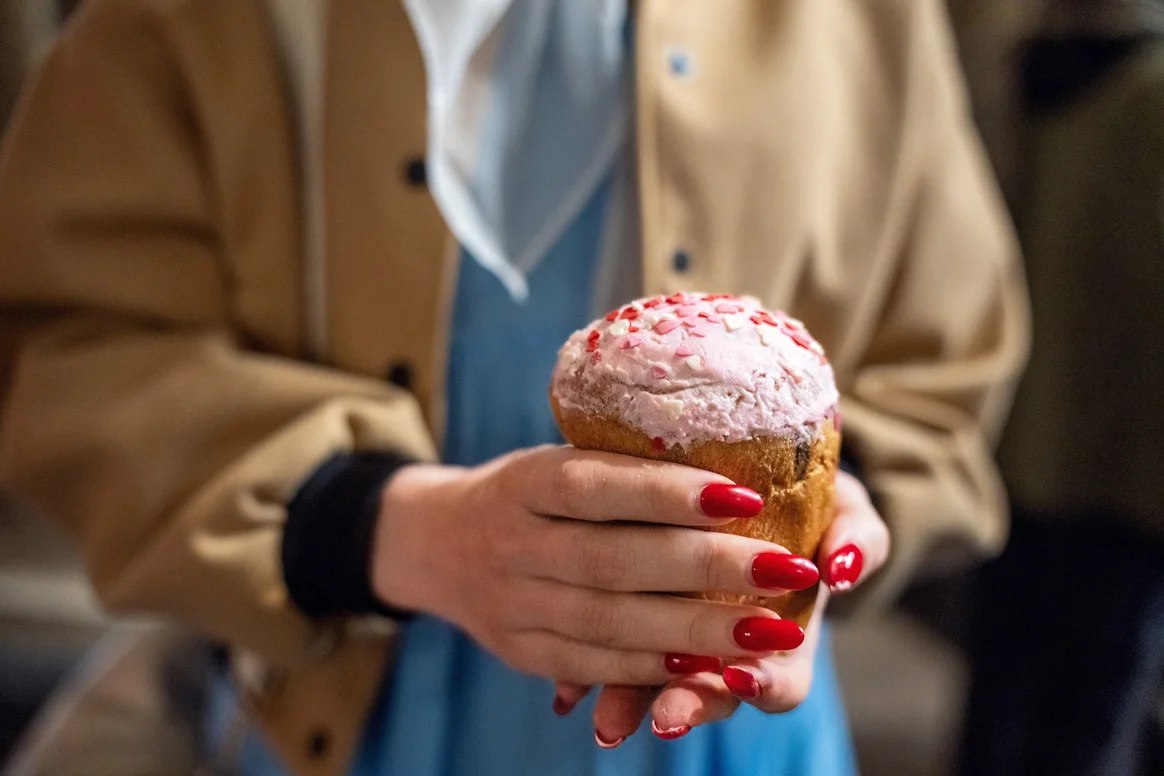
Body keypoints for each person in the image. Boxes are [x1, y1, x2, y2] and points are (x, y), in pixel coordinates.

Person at [0, 1, 1027, 774]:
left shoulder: (863, 19)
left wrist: (822, 529)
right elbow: (74, 346)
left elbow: (938, 361)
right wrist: (390, 526)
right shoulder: (188, 22)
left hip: (735, 725)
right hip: (347, 712)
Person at [960, 2, 1164, 774]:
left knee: (1006, 689)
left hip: (1023, 439)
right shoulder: (1148, 96)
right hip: (1127, 468)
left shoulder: (1026, 79)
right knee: (1091, 709)